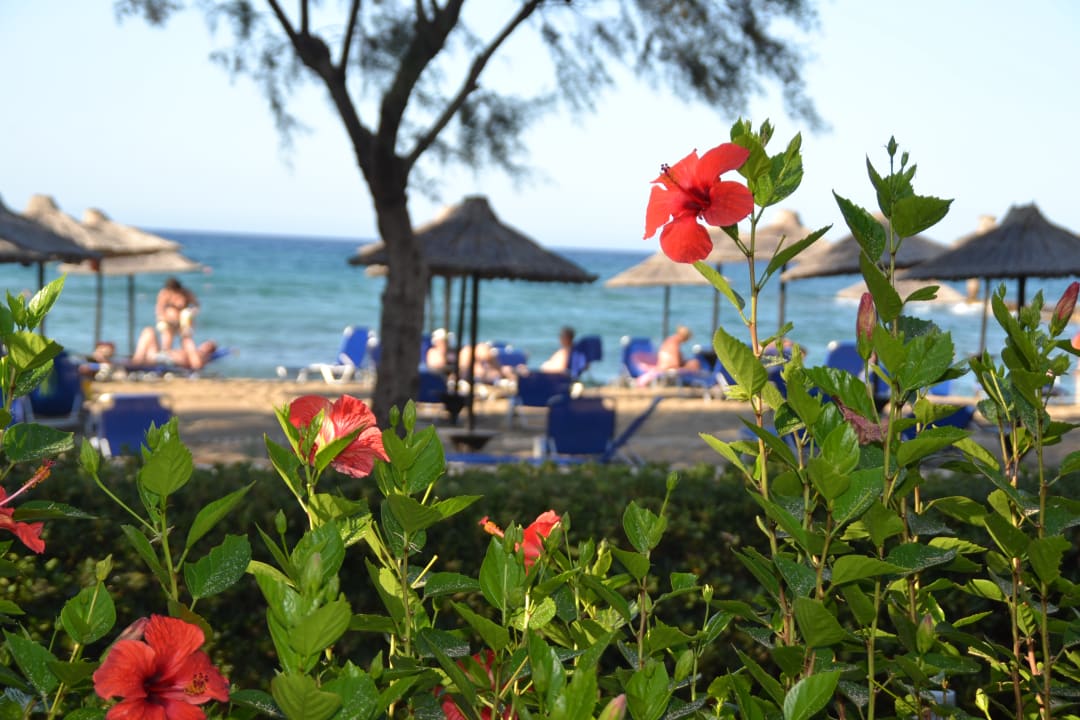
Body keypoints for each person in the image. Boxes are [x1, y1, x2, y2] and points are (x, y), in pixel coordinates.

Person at [132, 325, 219, 370]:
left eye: (209, 345)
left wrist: (188, 340)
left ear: (210, 351)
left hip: (165, 360)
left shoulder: (202, 356)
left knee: (149, 334)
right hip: (162, 355)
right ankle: (136, 360)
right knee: (149, 330)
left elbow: (197, 366)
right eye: (206, 343)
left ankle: (135, 362)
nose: (205, 344)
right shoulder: (193, 350)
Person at [155, 277, 199, 350]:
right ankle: (165, 356)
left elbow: (196, 305)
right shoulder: (164, 293)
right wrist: (162, 318)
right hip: (168, 321)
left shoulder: (186, 293)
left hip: (184, 322)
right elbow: (159, 309)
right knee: (167, 339)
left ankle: (187, 356)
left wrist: (191, 312)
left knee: (186, 340)